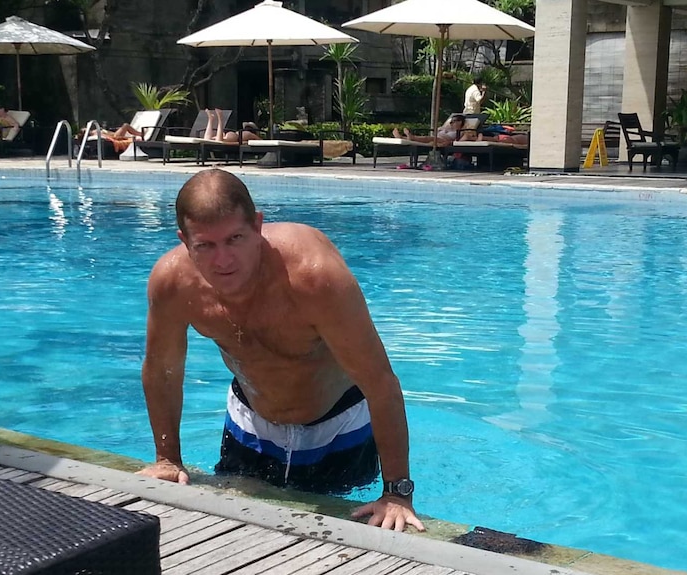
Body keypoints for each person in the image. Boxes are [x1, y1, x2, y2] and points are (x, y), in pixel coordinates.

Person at [139, 168, 425, 533]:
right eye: (205, 246)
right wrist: (167, 458)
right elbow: (162, 370)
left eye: (235, 238)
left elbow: (380, 382)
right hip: (250, 426)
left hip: (338, 429)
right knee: (231, 534)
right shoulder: (173, 284)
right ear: (184, 240)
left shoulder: (313, 275)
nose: (223, 260)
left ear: (258, 226)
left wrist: (397, 493)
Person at [392, 114, 474, 146]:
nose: (451, 123)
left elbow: (466, 136)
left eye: (453, 121)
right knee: (427, 138)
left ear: (460, 122)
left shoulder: (462, 131)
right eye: (451, 122)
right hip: (437, 139)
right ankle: (403, 137)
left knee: (429, 138)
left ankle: (409, 137)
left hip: (444, 142)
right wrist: (441, 129)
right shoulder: (447, 128)